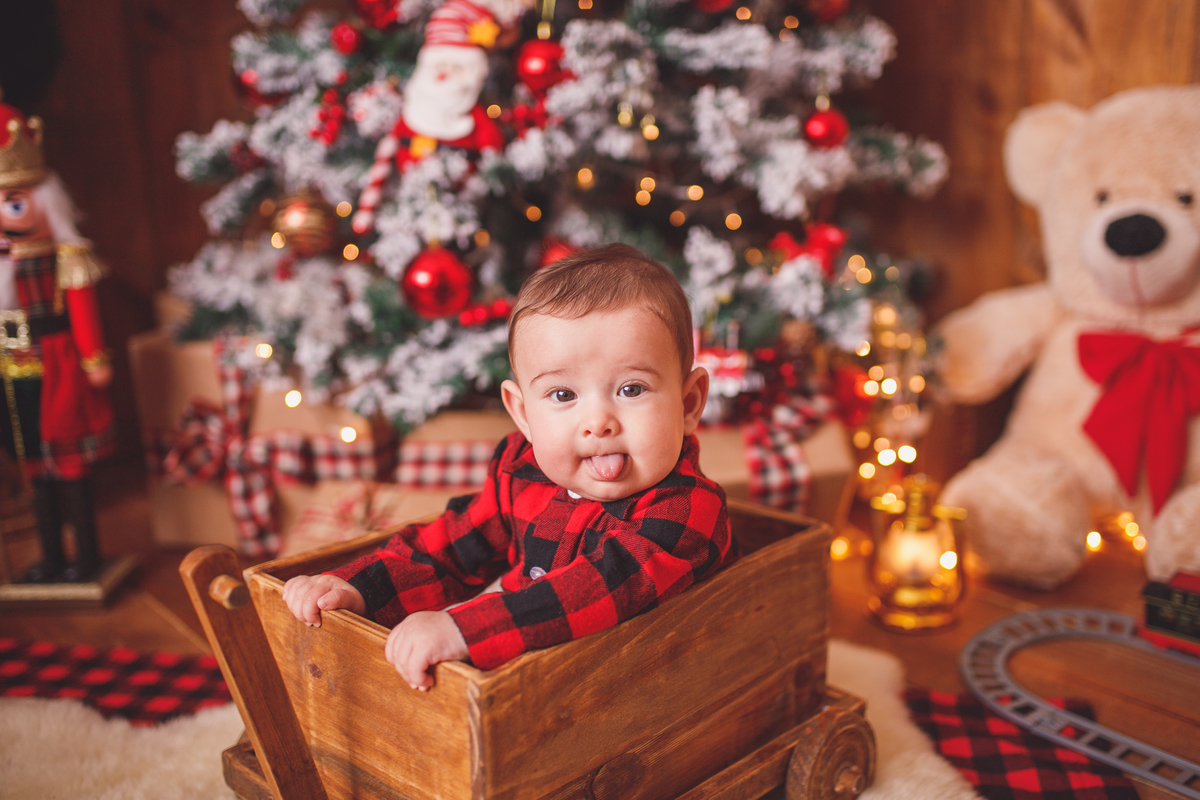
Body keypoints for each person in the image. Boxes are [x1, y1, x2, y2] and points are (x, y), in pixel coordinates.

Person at [283, 244, 737, 689]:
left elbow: (598, 589)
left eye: (632, 389)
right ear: (522, 413)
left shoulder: (687, 508)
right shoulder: (520, 471)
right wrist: (360, 588)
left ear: (689, 402)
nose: (598, 423)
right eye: (563, 395)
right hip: (521, 685)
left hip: (626, 687)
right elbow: (449, 550)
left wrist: (464, 628)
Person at [0, 97, 115, 583]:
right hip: (13, 373)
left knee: (68, 465)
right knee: (34, 468)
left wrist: (93, 357)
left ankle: (85, 556)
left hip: (59, 366)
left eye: (15, 203)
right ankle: (49, 555)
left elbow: (84, 310)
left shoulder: (64, 259)